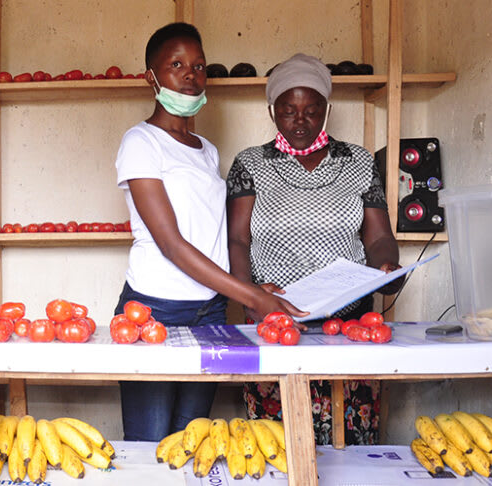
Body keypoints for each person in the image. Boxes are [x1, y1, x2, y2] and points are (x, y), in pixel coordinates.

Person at [114, 24, 306, 442]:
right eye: (176, 64)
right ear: (152, 76)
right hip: (154, 311)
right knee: (151, 448)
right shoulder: (140, 142)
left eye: (198, 66)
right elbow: (171, 244)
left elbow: (212, 235)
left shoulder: (207, 150)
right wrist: (251, 296)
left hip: (210, 313)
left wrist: (247, 287)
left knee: (191, 443)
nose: (190, 74)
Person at [226, 53, 403, 445]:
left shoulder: (357, 160)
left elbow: (376, 236)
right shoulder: (251, 163)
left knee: (350, 447)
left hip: (350, 324)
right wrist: (248, 295)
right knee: (279, 447)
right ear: (272, 111)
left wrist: (388, 267)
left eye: (312, 109)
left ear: (328, 108)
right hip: (275, 320)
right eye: (289, 110)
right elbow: (238, 239)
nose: (300, 120)